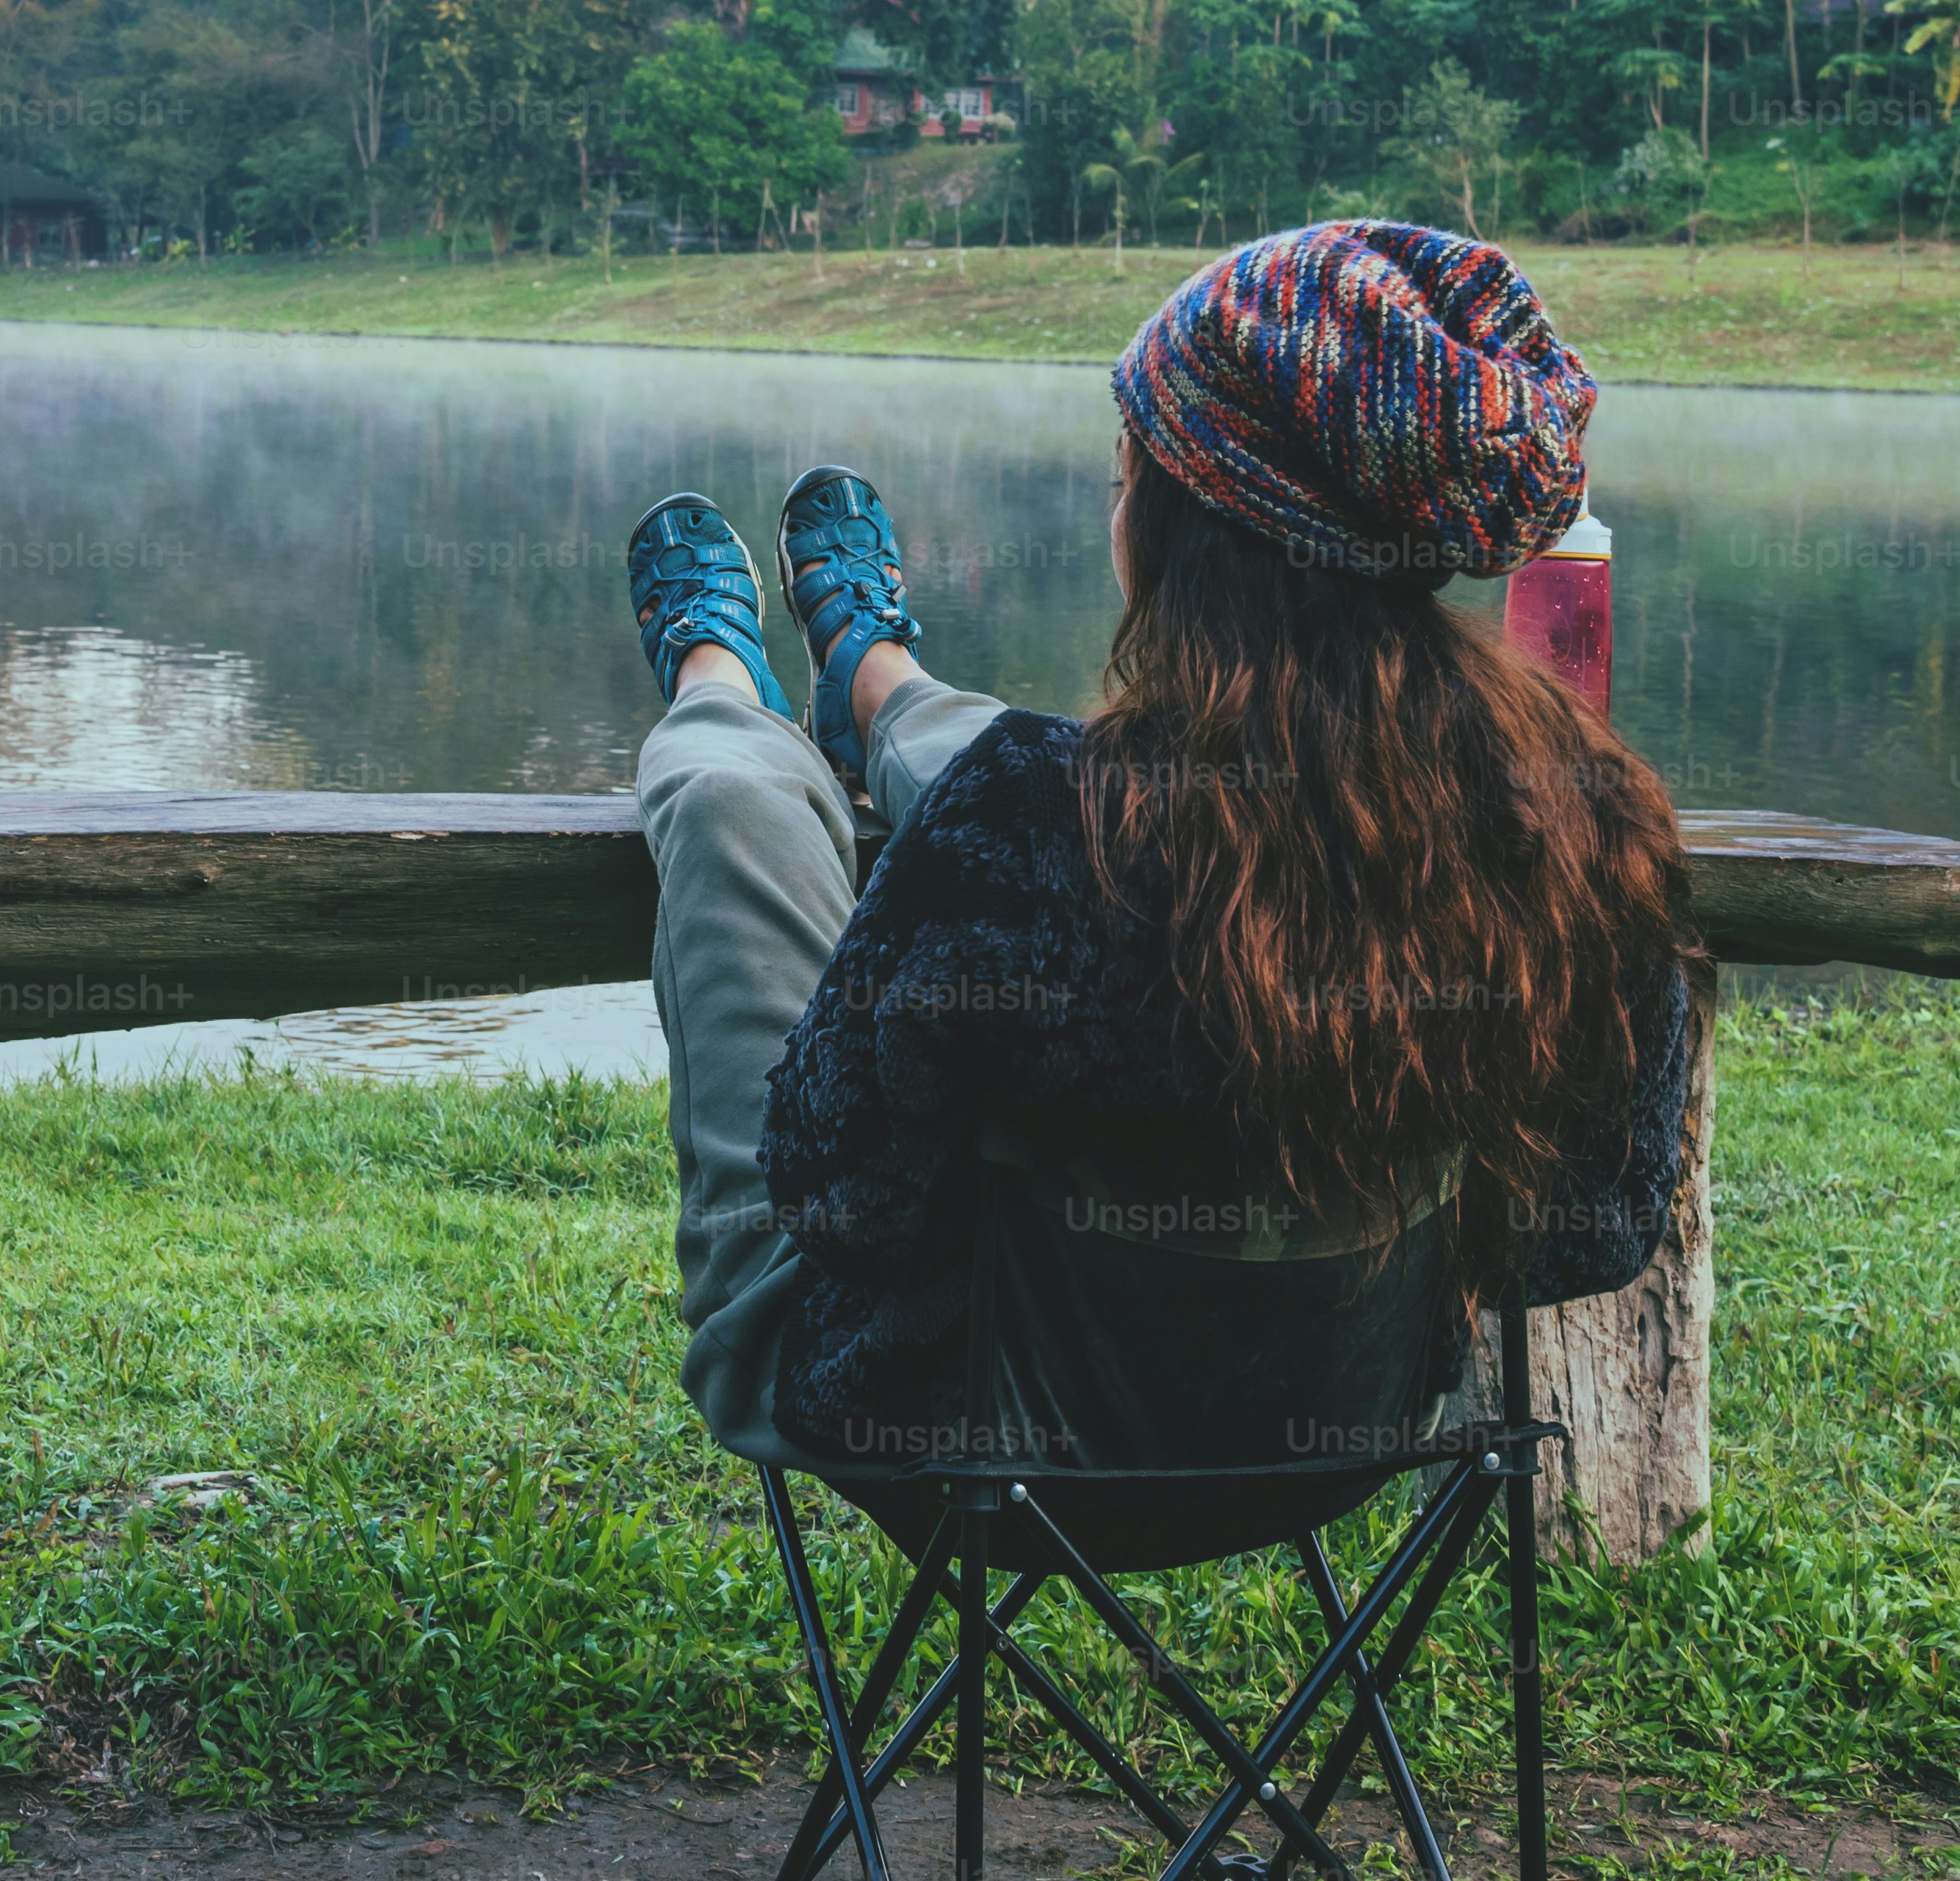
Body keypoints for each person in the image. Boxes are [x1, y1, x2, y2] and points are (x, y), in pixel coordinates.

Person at [623, 220, 1700, 1470]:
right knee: (994, 768)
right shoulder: (1578, 817)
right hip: (1340, 1431)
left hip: (960, 1437)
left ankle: (721, 690)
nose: (1117, 504)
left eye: (1132, 472)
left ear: (1190, 529)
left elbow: (825, 1189)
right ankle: (874, 676)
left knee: (731, 796)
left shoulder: (1034, 819)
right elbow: (1597, 1227)